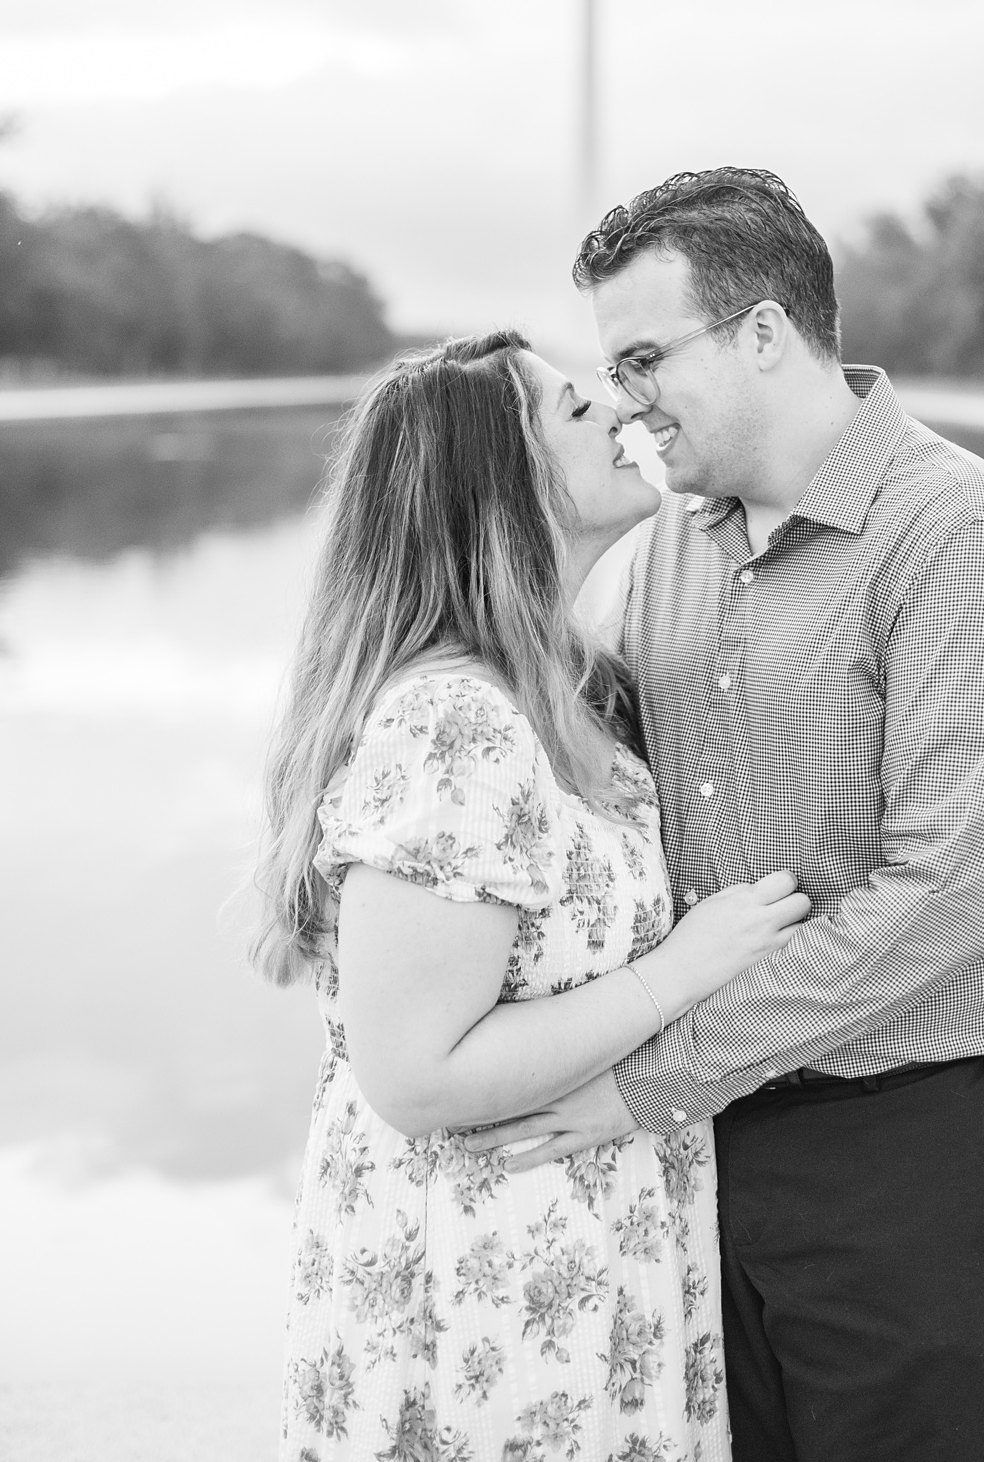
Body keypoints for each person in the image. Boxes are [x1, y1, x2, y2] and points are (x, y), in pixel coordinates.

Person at [460, 168, 984, 1462]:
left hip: (911, 1136)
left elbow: (946, 899)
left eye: (641, 359)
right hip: (707, 1139)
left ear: (761, 334)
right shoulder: (665, 545)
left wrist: (651, 1079)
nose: (622, 403)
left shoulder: (953, 529)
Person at [252, 332, 815, 1460]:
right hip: (483, 1300)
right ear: (498, 483)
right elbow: (414, 1075)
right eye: (574, 409)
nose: (616, 411)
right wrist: (684, 968)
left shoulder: (566, 686)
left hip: (587, 1267)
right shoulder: (452, 723)